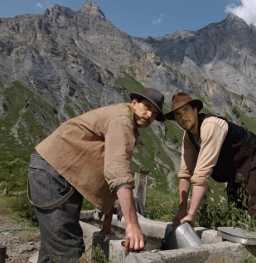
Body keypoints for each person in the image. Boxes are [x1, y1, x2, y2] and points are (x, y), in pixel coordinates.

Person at [27, 88, 165, 262]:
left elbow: (107, 169)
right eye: (147, 106)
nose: (149, 114)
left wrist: (107, 222)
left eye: (154, 113)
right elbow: (119, 171)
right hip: (54, 174)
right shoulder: (122, 120)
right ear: (134, 103)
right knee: (67, 247)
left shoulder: (123, 119)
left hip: (57, 174)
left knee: (54, 246)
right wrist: (132, 225)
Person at [165, 92, 256, 235]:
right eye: (177, 115)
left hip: (253, 159)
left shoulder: (211, 125)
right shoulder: (189, 137)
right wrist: (181, 210)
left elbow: (201, 175)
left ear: (195, 110)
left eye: (185, 110)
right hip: (234, 171)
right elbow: (185, 173)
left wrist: (191, 214)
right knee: (237, 212)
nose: (182, 117)